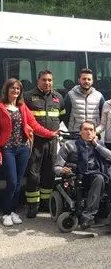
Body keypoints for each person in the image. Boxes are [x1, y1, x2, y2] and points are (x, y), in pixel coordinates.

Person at [0, 78, 57, 227]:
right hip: (8, 149)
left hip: (23, 149)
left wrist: (50, 133)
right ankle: (5, 213)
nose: (15, 91)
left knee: (18, 182)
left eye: (18, 89)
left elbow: (34, 125)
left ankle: (13, 211)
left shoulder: (22, 106)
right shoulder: (1, 107)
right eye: (12, 88)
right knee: (11, 182)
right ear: (6, 90)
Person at [54, 121, 111, 231]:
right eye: (85, 129)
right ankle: (87, 217)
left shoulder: (99, 144)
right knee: (99, 178)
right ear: (80, 132)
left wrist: (96, 145)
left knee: (109, 176)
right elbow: (56, 167)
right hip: (81, 176)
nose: (88, 132)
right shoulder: (70, 145)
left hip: (100, 174)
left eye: (91, 130)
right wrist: (62, 170)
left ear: (95, 133)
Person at [24, 70, 66, 218]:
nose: (47, 82)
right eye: (44, 80)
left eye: (49, 80)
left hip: (52, 141)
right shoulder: (28, 97)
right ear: (38, 80)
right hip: (35, 141)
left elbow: (61, 117)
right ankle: (32, 205)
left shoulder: (58, 97)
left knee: (49, 173)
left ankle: (45, 203)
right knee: (33, 173)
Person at [64, 68, 105, 133]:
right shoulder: (70, 95)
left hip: (93, 135)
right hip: (75, 134)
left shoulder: (99, 96)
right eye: (84, 79)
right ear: (79, 80)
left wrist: (96, 131)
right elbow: (65, 116)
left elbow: (103, 116)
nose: (86, 81)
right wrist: (72, 128)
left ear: (92, 81)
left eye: (89, 79)